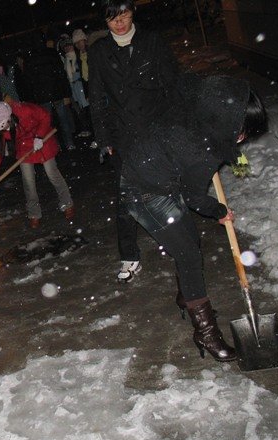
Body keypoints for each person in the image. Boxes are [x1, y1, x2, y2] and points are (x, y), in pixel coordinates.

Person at [119, 73, 268, 362]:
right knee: (188, 255)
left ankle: (187, 296)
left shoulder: (198, 115)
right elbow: (195, 198)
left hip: (157, 175)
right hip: (143, 191)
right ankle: (206, 333)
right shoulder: (201, 146)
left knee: (190, 244)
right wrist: (220, 211)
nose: (243, 138)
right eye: (243, 130)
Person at [87, 0, 180, 283]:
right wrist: (104, 138)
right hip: (122, 135)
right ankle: (129, 256)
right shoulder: (100, 51)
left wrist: (176, 125)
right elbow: (96, 97)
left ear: (132, 13)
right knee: (126, 196)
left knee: (168, 189)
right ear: (105, 20)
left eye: (124, 14)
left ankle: (180, 243)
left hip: (156, 128)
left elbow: (173, 84)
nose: (120, 22)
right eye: (113, 17)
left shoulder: (152, 42)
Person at [0, 100, 74, 229]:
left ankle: (67, 203)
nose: (3, 131)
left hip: (43, 140)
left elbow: (45, 116)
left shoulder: (24, 110)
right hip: (24, 147)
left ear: (9, 118)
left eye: (3, 127)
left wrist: (39, 136)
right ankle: (34, 213)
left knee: (52, 173)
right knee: (28, 181)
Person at [22, 31, 77, 151]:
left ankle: (54, 146)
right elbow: (61, 74)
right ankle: (69, 143)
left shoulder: (30, 58)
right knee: (63, 119)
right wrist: (66, 92)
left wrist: (31, 99)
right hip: (56, 92)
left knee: (46, 123)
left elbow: (28, 81)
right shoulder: (51, 54)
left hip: (42, 96)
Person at [57, 33, 92, 140]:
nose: (68, 48)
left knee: (88, 108)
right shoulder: (65, 60)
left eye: (69, 45)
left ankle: (92, 130)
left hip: (82, 85)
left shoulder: (78, 56)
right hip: (73, 88)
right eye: (65, 46)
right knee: (79, 110)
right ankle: (86, 129)